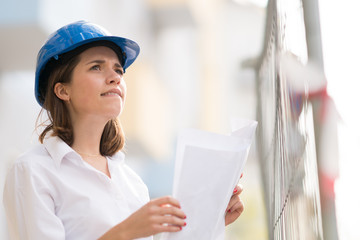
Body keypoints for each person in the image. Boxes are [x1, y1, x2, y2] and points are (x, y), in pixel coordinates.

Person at [3, 20, 244, 240]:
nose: (115, 77)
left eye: (118, 70)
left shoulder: (131, 182)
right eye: (96, 67)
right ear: (63, 90)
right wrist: (126, 231)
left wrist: (208, 223)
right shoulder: (33, 171)